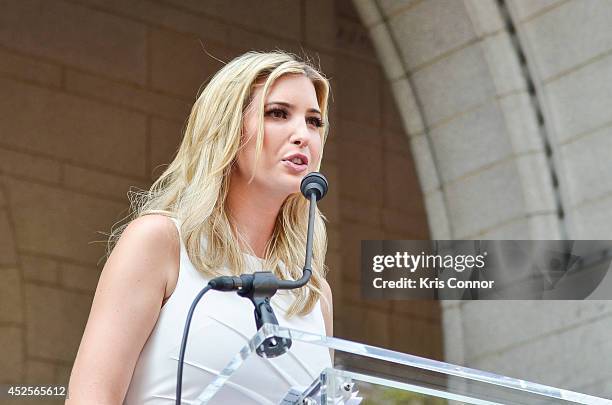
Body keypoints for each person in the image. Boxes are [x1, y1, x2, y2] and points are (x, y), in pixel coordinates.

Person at [66, 50, 334, 404]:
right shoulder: (160, 243)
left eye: (314, 121)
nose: (303, 134)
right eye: (278, 113)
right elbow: (91, 396)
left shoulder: (312, 291)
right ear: (227, 128)